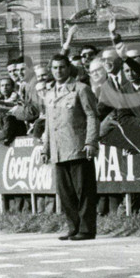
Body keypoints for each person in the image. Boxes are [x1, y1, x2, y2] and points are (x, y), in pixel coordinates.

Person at [39, 53, 99, 241]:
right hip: (58, 149)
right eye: (55, 68)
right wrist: (45, 148)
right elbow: (49, 124)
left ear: (69, 68)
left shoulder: (81, 89)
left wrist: (91, 142)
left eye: (62, 67)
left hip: (77, 146)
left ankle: (87, 229)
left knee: (84, 191)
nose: (59, 71)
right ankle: (73, 227)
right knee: (65, 193)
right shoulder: (49, 95)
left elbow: (92, 116)